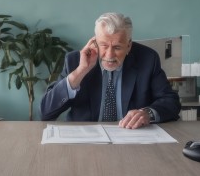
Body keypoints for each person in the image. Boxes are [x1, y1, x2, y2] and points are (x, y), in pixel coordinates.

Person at [40, 12, 180, 129]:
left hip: (131, 140)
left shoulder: (148, 59)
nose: (109, 55)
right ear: (94, 42)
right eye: (104, 45)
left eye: (117, 47)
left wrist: (147, 113)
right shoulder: (75, 61)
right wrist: (81, 71)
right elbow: (46, 112)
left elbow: (171, 102)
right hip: (86, 143)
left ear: (129, 45)